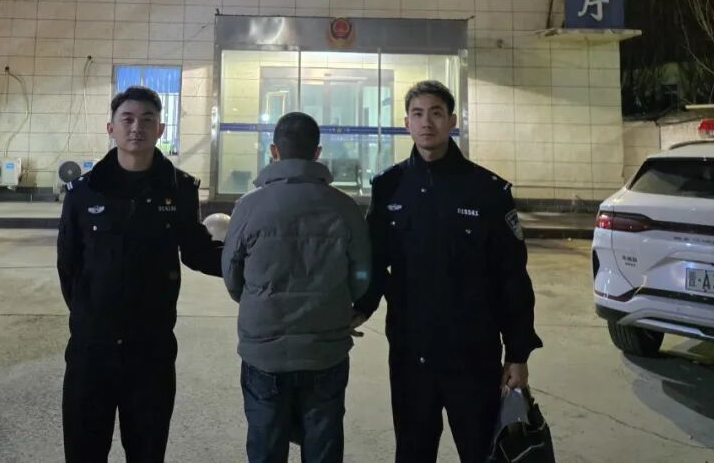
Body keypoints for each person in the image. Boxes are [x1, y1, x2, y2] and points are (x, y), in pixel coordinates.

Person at [352, 80, 542, 463]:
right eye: (418, 114)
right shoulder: (389, 187)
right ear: (406, 123)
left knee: (480, 452)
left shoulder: (486, 190)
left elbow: (511, 276)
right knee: (412, 452)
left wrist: (518, 352)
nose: (427, 123)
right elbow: (375, 261)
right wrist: (357, 309)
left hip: (472, 355)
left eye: (436, 113)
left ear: (452, 121)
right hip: (410, 352)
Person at [57, 85, 223, 463]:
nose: (137, 128)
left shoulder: (180, 190)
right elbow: (69, 265)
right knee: (84, 451)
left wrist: (253, 262)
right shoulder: (83, 192)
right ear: (111, 128)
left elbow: (197, 252)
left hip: (151, 350)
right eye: (127, 119)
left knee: (147, 452)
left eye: (147, 120)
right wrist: (91, 314)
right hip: (91, 350)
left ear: (160, 129)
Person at [222, 112, 371, 463]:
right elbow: (362, 275)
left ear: (273, 150)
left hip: (264, 350)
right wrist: (341, 303)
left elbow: (231, 275)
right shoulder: (344, 207)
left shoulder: (248, 206)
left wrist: (256, 301)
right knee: (323, 446)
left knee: (265, 445)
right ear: (317, 153)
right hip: (325, 349)